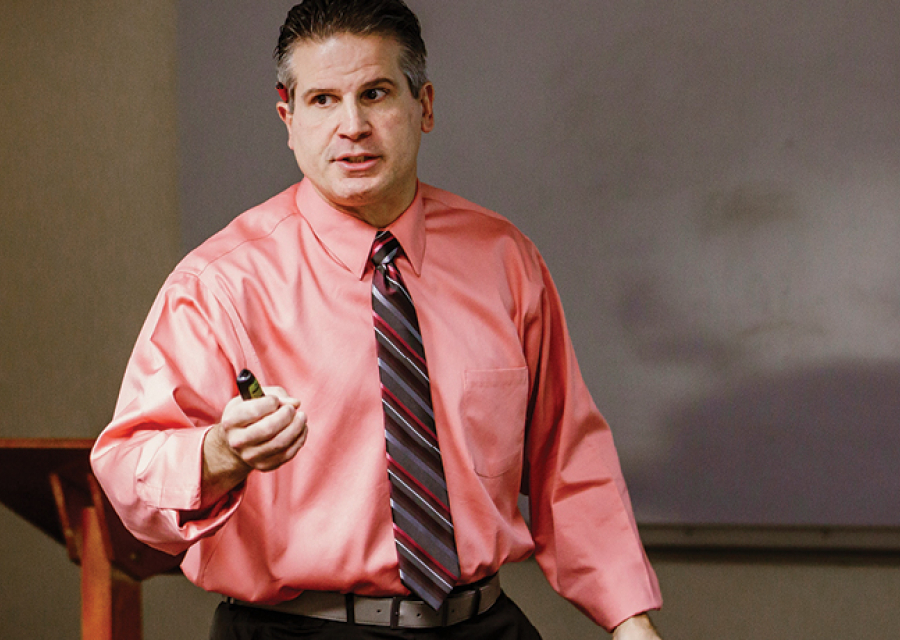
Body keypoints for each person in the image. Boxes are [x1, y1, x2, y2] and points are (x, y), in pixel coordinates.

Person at [90, 1, 664, 638]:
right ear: (288, 118)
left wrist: (629, 625)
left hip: (482, 624)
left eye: (376, 93)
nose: (353, 126)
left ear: (425, 105)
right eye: (323, 100)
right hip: (295, 630)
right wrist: (222, 452)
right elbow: (128, 467)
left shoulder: (504, 260)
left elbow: (568, 460)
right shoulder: (219, 283)